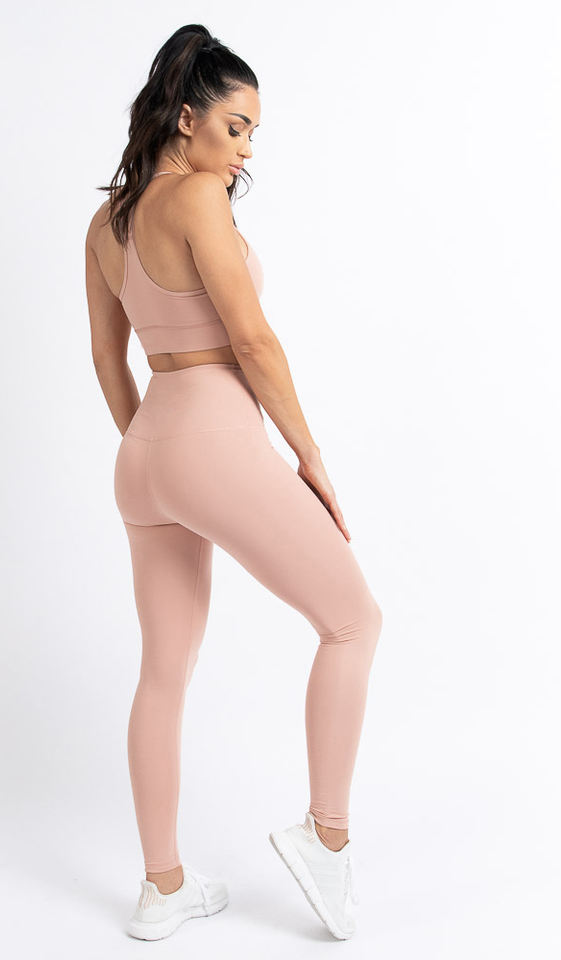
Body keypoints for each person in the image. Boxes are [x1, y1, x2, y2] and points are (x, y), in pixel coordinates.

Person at [84, 24, 382, 941]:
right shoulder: (199, 196)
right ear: (187, 118)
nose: (247, 149)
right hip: (210, 434)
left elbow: (108, 358)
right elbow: (252, 340)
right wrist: (310, 456)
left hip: (144, 454)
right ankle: (326, 837)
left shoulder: (107, 222)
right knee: (352, 621)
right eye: (237, 127)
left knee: (162, 672)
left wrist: (158, 452)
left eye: (254, 133)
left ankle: (162, 888)